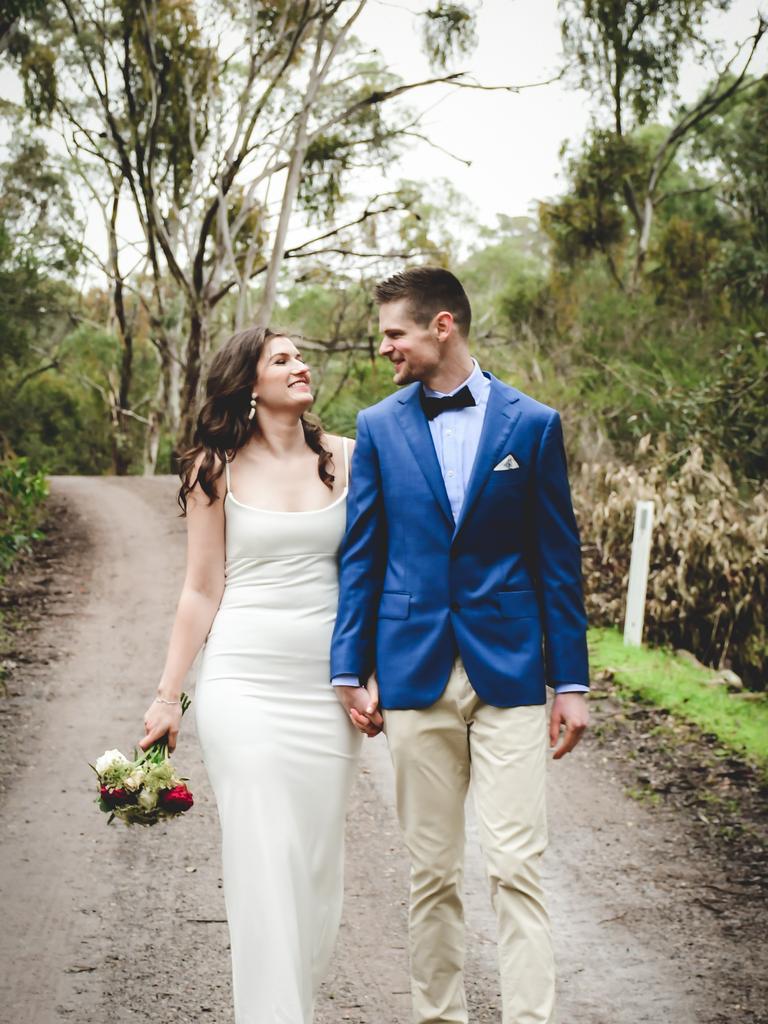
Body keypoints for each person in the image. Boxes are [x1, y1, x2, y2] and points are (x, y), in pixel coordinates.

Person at [331, 267, 590, 1024]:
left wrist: (569, 683)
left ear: (442, 325)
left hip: (508, 671)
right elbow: (362, 554)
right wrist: (351, 666)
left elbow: (557, 560)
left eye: (394, 333)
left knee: (516, 867)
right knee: (432, 873)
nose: (385, 348)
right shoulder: (378, 427)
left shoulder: (532, 424)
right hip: (413, 671)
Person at [139, 326, 382, 1024]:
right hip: (243, 685)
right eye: (282, 359)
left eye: (301, 357)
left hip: (327, 691)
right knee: (262, 861)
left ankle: (291, 1006)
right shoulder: (213, 468)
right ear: (250, 382)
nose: (300, 366)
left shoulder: (352, 459)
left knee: (312, 869)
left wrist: (375, 673)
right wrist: (168, 697)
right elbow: (200, 591)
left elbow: (376, 576)